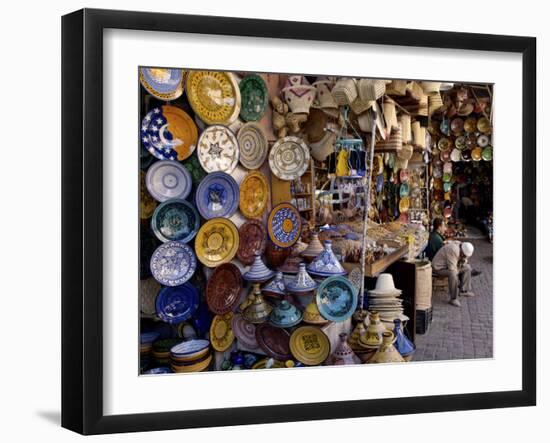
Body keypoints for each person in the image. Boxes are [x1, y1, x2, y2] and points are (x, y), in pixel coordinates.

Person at [432, 241, 475, 307]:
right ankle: (453, 298)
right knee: (453, 274)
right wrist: (459, 271)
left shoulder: (461, 247)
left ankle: (463, 291)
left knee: (467, 267)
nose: (465, 256)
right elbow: (452, 268)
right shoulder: (453, 250)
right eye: (464, 255)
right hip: (438, 268)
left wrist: (463, 263)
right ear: (462, 251)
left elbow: (464, 261)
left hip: (447, 266)